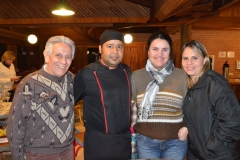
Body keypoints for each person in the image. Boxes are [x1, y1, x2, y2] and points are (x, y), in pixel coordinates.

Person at [6, 35, 76, 160]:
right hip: (38, 154)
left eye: (68, 57)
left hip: (67, 151)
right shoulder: (29, 83)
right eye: (58, 55)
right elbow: (15, 124)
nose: (64, 61)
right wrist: (18, 157)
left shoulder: (72, 80)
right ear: (46, 55)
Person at [74, 30, 132, 160]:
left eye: (119, 46)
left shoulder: (126, 71)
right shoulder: (87, 73)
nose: (115, 51)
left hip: (123, 143)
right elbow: (67, 101)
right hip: (98, 144)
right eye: (110, 46)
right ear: (100, 49)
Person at [131, 31, 188, 159]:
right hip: (146, 142)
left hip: (176, 142)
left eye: (165, 49)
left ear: (170, 52)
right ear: (148, 51)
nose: (160, 54)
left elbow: (193, 107)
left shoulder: (182, 76)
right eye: (155, 49)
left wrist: (187, 127)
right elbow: (129, 108)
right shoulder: (136, 77)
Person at [181, 40, 240, 160]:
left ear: (205, 60)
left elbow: (233, 121)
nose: (189, 62)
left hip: (218, 155)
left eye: (194, 58)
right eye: (185, 58)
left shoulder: (214, 82)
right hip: (197, 154)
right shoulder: (189, 85)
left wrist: (212, 145)